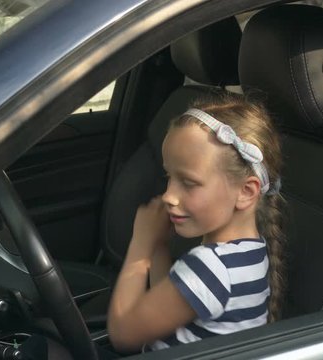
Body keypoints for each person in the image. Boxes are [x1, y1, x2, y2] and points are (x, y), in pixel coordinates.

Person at [107, 91, 287, 352]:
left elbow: (123, 334)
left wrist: (141, 246)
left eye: (188, 183)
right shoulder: (248, 252)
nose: (168, 195)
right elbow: (166, 308)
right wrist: (158, 246)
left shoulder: (210, 268)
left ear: (246, 192)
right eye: (169, 176)